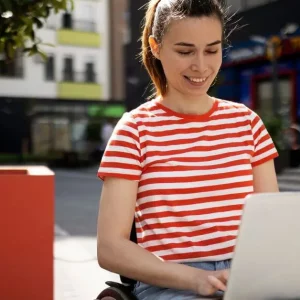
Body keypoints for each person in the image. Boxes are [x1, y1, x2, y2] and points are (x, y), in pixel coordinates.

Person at [96, 0, 279, 299]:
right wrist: (196, 279)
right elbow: (110, 248)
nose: (201, 66)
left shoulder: (248, 123)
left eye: (212, 50)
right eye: (184, 51)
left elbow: (272, 223)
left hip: (247, 276)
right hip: (170, 283)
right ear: (156, 47)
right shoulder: (135, 130)